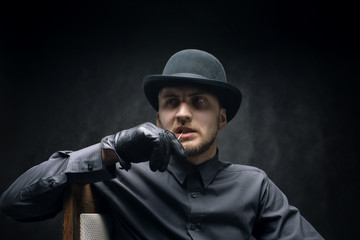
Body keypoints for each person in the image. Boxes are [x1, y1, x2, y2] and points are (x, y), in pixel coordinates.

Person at [0, 49, 323, 239]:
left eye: (198, 102)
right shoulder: (115, 174)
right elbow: (15, 204)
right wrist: (114, 149)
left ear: (221, 119)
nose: (182, 113)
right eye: (171, 102)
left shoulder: (254, 185)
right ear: (158, 119)